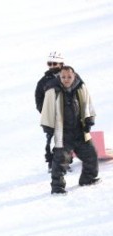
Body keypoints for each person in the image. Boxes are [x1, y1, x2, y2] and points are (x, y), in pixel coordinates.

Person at [40, 66, 99, 195]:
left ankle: (87, 179)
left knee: (91, 156)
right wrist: (48, 127)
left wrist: (89, 119)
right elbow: (47, 109)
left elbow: (88, 103)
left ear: (74, 76)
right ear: (59, 77)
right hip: (64, 133)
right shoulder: (53, 90)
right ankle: (57, 187)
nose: (66, 79)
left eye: (69, 77)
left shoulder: (80, 87)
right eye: (63, 77)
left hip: (80, 131)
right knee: (60, 161)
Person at [35, 51, 65, 172]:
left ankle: (65, 162)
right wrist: (46, 112)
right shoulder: (43, 81)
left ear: (61, 63)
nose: (52, 66)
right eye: (50, 63)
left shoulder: (70, 76)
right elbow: (39, 99)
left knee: (68, 140)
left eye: (55, 63)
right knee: (53, 140)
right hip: (52, 117)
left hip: (69, 114)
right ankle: (52, 164)